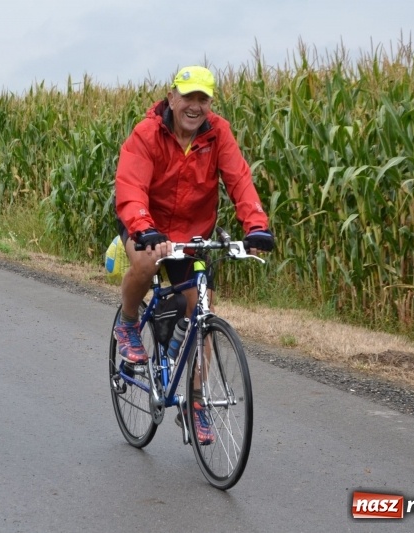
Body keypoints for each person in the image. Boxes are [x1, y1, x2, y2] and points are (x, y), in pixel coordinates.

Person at [113, 65, 275, 444]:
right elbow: (131, 184)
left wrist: (256, 226)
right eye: (189, 97)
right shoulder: (148, 133)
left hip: (194, 232)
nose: (195, 106)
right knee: (145, 260)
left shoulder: (218, 133)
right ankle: (128, 322)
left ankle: (195, 404)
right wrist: (143, 226)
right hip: (146, 221)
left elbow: (239, 179)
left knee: (203, 307)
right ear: (172, 97)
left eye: (203, 99)